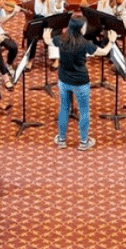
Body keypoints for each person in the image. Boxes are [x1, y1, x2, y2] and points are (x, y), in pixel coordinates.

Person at [44, 15, 117, 151]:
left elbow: (48, 41)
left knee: (64, 109)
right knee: (84, 111)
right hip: (81, 81)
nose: (86, 28)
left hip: (64, 79)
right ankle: (84, 142)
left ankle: (61, 140)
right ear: (79, 29)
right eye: (84, 26)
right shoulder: (85, 44)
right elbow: (104, 52)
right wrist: (111, 41)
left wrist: (45, 34)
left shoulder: (61, 39)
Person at [16, 0, 69, 65]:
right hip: (40, 17)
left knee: (54, 34)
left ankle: (55, 58)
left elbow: (59, 12)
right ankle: (30, 59)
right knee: (32, 34)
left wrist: (58, 3)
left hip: (53, 19)